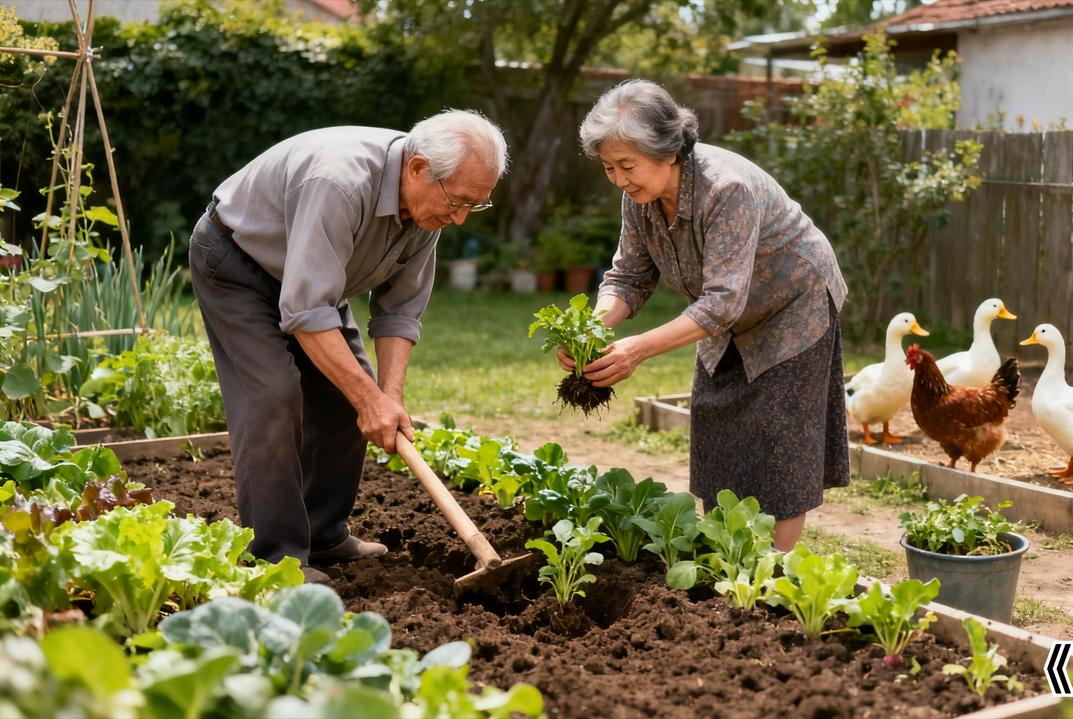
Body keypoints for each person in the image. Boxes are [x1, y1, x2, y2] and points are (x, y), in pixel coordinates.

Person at [189, 112, 507, 583]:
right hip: (239, 265)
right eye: (458, 201)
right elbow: (305, 310)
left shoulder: (428, 207)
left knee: (348, 398)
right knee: (274, 394)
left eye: (474, 206)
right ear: (418, 169)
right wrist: (369, 397)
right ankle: (275, 558)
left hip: (313, 283)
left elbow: (398, 311)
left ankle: (322, 533)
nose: (459, 218)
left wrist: (388, 396)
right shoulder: (337, 182)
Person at [569, 80, 849, 551]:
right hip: (727, 312)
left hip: (792, 306)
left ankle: (769, 572)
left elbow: (721, 302)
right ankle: (726, 555)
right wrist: (591, 329)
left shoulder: (726, 187)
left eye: (627, 166)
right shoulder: (639, 198)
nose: (618, 178)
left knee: (778, 441)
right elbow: (628, 277)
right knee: (715, 423)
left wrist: (636, 349)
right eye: (608, 167)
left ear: (667, 150)